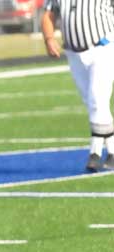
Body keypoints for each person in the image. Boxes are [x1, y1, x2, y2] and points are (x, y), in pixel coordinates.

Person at [42, 0, 114, 172]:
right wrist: (49, 38)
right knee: (93, 103)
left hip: (102, 47)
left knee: (97, 97)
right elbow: (49, 14)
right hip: (73, 53)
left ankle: (94, 153)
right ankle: (112, 153)